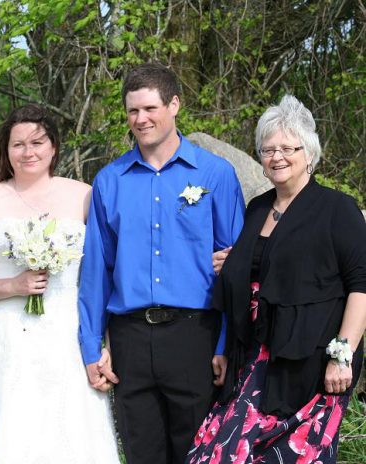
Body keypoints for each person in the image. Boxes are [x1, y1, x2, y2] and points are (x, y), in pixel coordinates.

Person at [0, 104, 120, 463]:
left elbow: (102, 277)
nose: (28, 152)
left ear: (54, 147)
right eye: (18, 144)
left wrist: (102, 341)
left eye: (37, 142)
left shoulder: (84, 195)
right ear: (6, 150)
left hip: (66, 332)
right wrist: (12, 286)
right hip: (0, 336)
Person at [78, 62, 246, 463]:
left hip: (195, 335)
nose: (141, 119)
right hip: (129, 338)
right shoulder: (110, 180)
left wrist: (225, 343)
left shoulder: (215, 174)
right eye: (133, 110)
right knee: (141, 452)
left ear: (174, 105)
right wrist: (90, 345)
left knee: (199, 452)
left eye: (150, 108)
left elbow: (237, 270)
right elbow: (97, 272)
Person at [185, 95, 366, 464]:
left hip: (312, 364)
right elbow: (262, 267)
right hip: (252, 359)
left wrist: (342, 357)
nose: (277, 157)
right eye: (268, 149)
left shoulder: (338, 209)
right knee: (214, 452)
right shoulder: (258, 208)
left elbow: (361, 285)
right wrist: (231, 264)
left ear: (309, 153)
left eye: (288, 148)